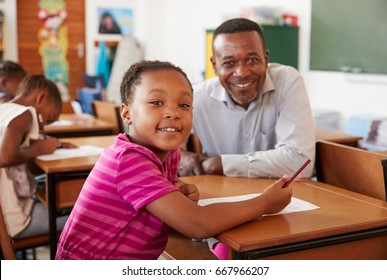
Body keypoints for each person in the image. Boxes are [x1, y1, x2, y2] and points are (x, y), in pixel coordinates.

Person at [55, 60, 293, 260]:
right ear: (127, 113)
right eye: (156, 103)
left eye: (184, 104)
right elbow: (198, 225)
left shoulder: (169, 155)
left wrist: (177, 193)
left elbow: (172, 213)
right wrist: (265, 202)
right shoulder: (128, 159)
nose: (173, 112)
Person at [179, 18, 315, 179]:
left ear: (265, 59)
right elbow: (158, 146)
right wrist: (180, 157)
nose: (241, 73)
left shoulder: (287, 82)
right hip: (221, 195)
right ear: (214, 66)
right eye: (229, 63)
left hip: (280, 195)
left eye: (252, 60)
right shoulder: (196, 97)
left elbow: (300, 163)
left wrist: (220, 164)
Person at [0, 74, 74, 243]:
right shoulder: (25, 113)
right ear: (41, 97)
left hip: (5, 214)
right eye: (48, 119)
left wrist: (56, 144)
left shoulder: (4, 108)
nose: (44, 126)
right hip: (12, 220)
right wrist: (39, 148)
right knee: (80, 219)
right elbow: (4, 157)